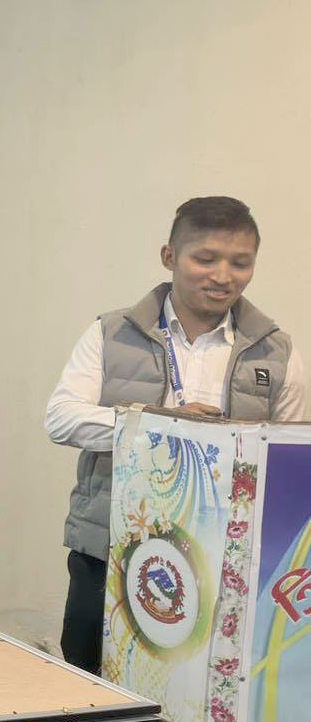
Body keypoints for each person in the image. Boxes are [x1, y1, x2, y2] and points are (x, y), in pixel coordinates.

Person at [45, 195, 305, 673]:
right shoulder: (111, 332)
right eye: (205, 259)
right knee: (89, 679)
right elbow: (61, 419)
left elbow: (293, 455)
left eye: (240, 263)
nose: (223, 276)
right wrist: (162, 425)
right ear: (169, 256)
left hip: (227, 561)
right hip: (111, 546)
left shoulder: (277, 350)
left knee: (205, 688)